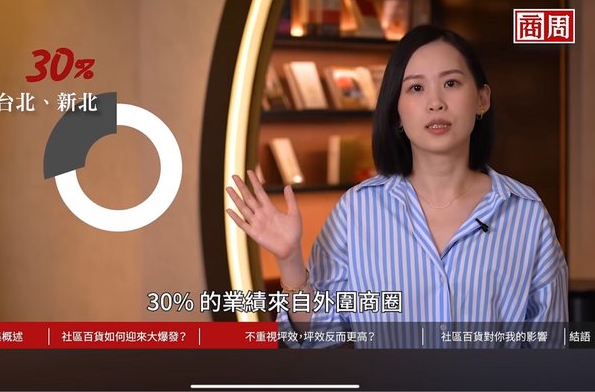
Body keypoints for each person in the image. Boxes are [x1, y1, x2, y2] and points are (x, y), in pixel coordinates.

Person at [225, 25, 568, 348]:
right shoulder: (358, 210)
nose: (435, 102)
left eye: (451, 83)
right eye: (416, 88)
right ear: (396, 113)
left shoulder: (525, 212)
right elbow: (316, 334)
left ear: (482, 99)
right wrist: (289, 261)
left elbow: (550, 348)